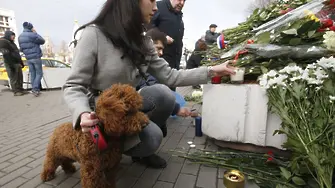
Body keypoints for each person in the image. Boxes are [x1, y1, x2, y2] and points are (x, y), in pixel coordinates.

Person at [64, 0, 235, 169]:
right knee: (152, 137)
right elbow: (73, 86)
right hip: (102, 113)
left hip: (127, 108)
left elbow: (170, 76)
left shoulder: (144, 42)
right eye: (152, 1)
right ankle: (109, 147)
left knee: (164, 95)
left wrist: (212, 71)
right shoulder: (94, 35)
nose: (155, 7)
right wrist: (83, 113)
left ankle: (138, 152)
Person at [137, 27, 196, 137]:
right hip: (129, 107)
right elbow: (152, 86)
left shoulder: (152, 63)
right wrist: (176, 108)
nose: (161, 53)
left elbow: (172, 76)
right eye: (158, 48)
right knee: (155, 133)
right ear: (148, 45)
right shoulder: (140, 62)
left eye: (162, 49)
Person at [149, 0, 186, 91]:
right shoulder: (158, 7)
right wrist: (163, 37)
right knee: (159, 92)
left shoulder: (178, 14)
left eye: (184, 0)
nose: (181, 3)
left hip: (174, 62)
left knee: (171, 93)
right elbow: (148, 25)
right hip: (160, 59)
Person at [18, 22, 45, 97]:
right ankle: (35, 89)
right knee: (39, 73)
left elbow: (21, 49)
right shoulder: (32, 35)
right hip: (36, 56)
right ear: (30, 27)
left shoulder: (20, 37)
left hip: (28, 58)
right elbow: (42, 41)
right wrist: (36, 33)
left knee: (33, 73)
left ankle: (34, 89)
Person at [0, 31, 26, 96]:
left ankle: (20, 89)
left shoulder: (12, 43)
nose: (13, 37)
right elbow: (6, 54)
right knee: (13, 77)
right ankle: (16, 91)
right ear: (8, 35)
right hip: (10, 62)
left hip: (17, 62)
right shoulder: (3, 42)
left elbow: (16, 53)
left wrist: (21, 62)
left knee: (19, 77)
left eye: (14, 35)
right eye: (12, 35)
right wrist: (11, 65)